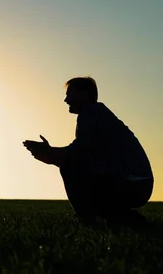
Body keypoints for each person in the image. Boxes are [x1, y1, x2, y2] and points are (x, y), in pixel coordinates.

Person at [23, 77, 154, 225]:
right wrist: (51, 155)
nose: (66, 100)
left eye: (69, 94)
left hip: (132, 184)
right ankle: (123, 217)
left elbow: (77, 153)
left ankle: (87, 218)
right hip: (135, 184)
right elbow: (81, 155)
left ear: (83, 94)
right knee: (71, 166)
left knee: (69, 166)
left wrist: (50, 153)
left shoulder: (92, 113)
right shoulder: (96, 114)